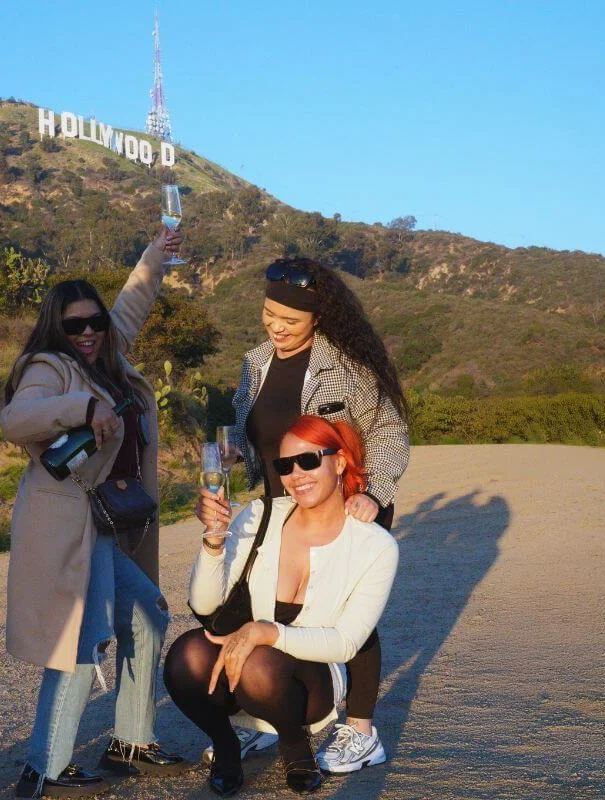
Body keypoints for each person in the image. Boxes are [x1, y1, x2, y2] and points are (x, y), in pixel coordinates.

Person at [196, 257, 410, 773]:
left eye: (288, 320)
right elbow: (253, 430)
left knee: (351, 614)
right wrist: (231, 461)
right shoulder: (256, 361)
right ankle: (262, 722)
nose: (275, 326)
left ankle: (360, 731)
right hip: (279, 505)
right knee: (261, 602)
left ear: (317, 317)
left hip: (348, 503)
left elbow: (389, 431)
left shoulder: (347, 366)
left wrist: (375, 495)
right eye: (268, 314)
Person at [0, 225, 186, 798]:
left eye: (94, 322)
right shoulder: (48, 368)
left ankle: (130, 739)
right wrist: (80, 406)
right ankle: (47, 768)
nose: (86, 332)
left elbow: (129, 306)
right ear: (57, 328)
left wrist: (155, 255)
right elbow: (16, 420)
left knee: (147, 617)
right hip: (70, 528)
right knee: (80, 640)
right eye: (73, 324)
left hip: (105, 526)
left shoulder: (107, 355)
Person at [166, 416, 399, 795]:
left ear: (339, 463)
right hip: (249, 658)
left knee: (261, 660)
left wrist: (265, 632)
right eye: (284, 465)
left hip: (313, 677)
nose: (296, 474)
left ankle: (294, 745)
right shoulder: (263, 515)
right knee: (185, 655)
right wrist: (213, 539)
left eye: (309, 461)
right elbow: (203, 604)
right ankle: (227, 745)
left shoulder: (375, 546)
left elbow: (347, 643)